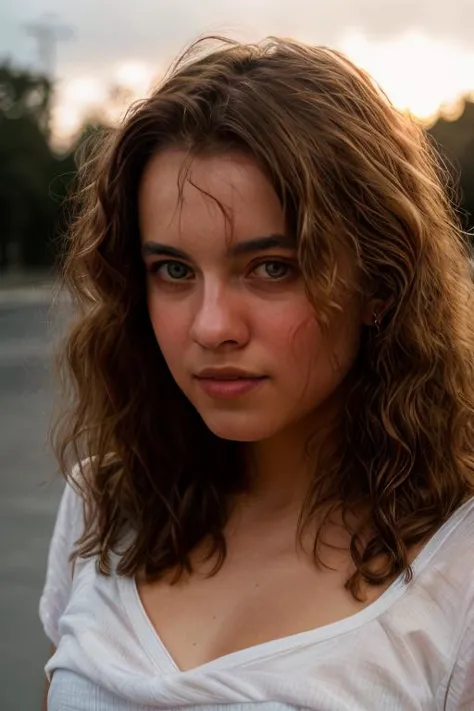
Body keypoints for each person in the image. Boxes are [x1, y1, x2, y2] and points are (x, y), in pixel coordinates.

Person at [40, 36, 474, 711]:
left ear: (380, 283)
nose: (212, 326)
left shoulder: (460, 571)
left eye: (273, 266)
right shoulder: (105, 505)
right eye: (174, 270)